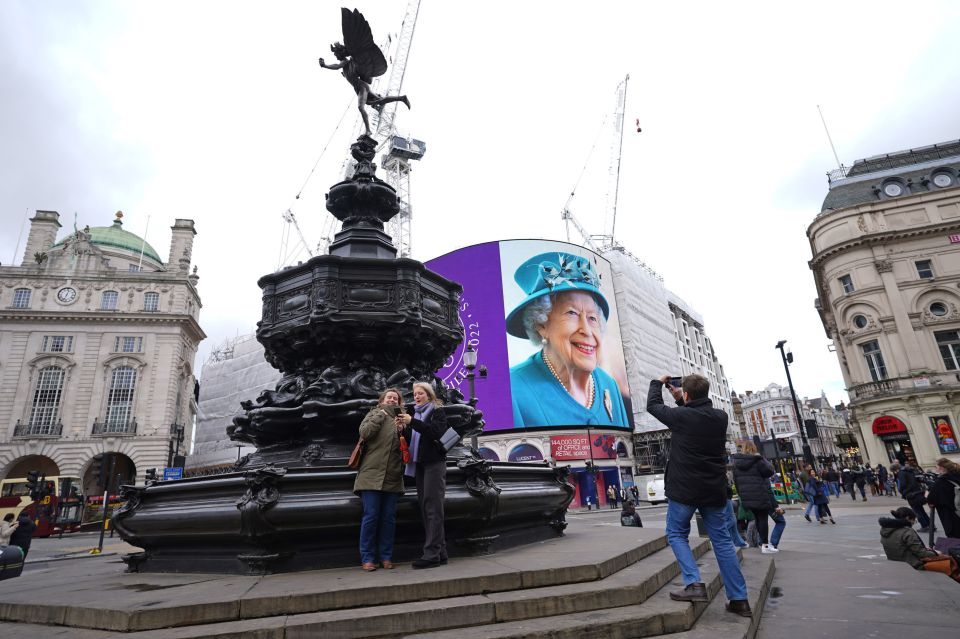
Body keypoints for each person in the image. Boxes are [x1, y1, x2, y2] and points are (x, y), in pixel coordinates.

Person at [647, 374, 752, 617]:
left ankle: (694, 583)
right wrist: (682, 400)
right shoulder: (720, 417)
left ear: (687, 394)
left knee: (676, 533)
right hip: (712, 489)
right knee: (723, 541)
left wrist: (656, 383)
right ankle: (739, 599)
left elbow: (653, 406)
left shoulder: (682, 417)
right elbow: (696, 418)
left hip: (684, 488)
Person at [506, 252, 629, 428]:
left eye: (592, 318)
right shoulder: (512, 390)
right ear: (541, 325)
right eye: (572, 313)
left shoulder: (609, 385)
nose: (587, 330)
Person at [318, 8, 410, 137]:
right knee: (380, 100)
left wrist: (325, 65)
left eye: (336, 53)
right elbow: (344, 70)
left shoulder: (345, 62)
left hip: (361, 86)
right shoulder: (349, 65)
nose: (336, 56)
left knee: (361, 108)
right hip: (362, 86)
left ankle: (368, 130)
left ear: (340, 53)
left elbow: (336, 66)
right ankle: (401, 98)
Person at [396, 381, 449, 569]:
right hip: (419, 464)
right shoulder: (416, 415)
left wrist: (413, 422)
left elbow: (435, 432)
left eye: (420, 393)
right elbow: (414, 441)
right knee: (427, 507)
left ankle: (431, 554)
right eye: (415, 394)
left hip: (434, 463)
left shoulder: (436, 411)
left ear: (429, 395)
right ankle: (440, 551)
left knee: (433, 508)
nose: (417, 396)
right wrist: (404, 429)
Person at [354, 388, 406, 571]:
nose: (392, 400)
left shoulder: (403, 419)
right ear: (382, 400)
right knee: (371, 516)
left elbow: (408, 446)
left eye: (395, 398)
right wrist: (380, 415)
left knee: (388, 519)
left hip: (392, 475)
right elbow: (365, 433)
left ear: (400, 402)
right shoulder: (374, 413)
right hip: (371, 474)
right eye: (389, 397)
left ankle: (386, 556)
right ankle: (367, 557)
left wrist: (403, 431)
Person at [879, 507, 960, 583]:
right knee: (950, 561)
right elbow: (920, 553)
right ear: (907, 518)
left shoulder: (885, 530)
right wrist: (936, 553)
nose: (914, 522)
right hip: (914, 565)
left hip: (897, 564)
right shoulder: (907, 531)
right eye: (914, 520)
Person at [731, 446, 779, 553]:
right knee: (762, 519)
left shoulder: (736, 464)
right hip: (760, 495)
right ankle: (765, 545)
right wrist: (762, 458)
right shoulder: (757, 461)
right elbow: (770, 471)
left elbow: (736, 482)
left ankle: (763, 543)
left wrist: (742, 496)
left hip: (747, 497)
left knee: (757, 519)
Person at [927, 457, 960, 539]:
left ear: (941, 468)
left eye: (936, 467)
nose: (936, 469)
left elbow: (932, 499)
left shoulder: (941, 481)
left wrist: (927, 495)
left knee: (955, 539)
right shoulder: (957, 476)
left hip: (951, 516)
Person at [897, 460, 931, 532]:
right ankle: (930, 525)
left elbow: (902, 485)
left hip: (911, 494)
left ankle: (925, 526)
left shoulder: (901, 473)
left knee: (917, 511)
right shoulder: (911, 471)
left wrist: (903, 492)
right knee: (921, 510)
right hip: (918, 492)